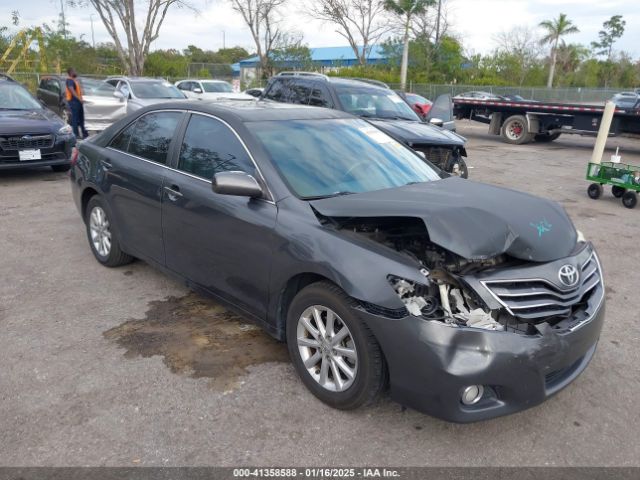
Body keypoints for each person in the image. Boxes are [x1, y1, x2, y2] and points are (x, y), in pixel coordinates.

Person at [65, 68, 88, 139]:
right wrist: (79, 99)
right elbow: (72, 91)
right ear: (71, 72)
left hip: (78, 101)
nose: (76, 72)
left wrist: (81, 98)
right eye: (75, 71)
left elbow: (78, 91)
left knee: (81, 118)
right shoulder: (69, 80)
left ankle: (85, 134)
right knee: (75, 119)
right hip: (74, 102)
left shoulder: (74, 80)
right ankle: (76, 135)